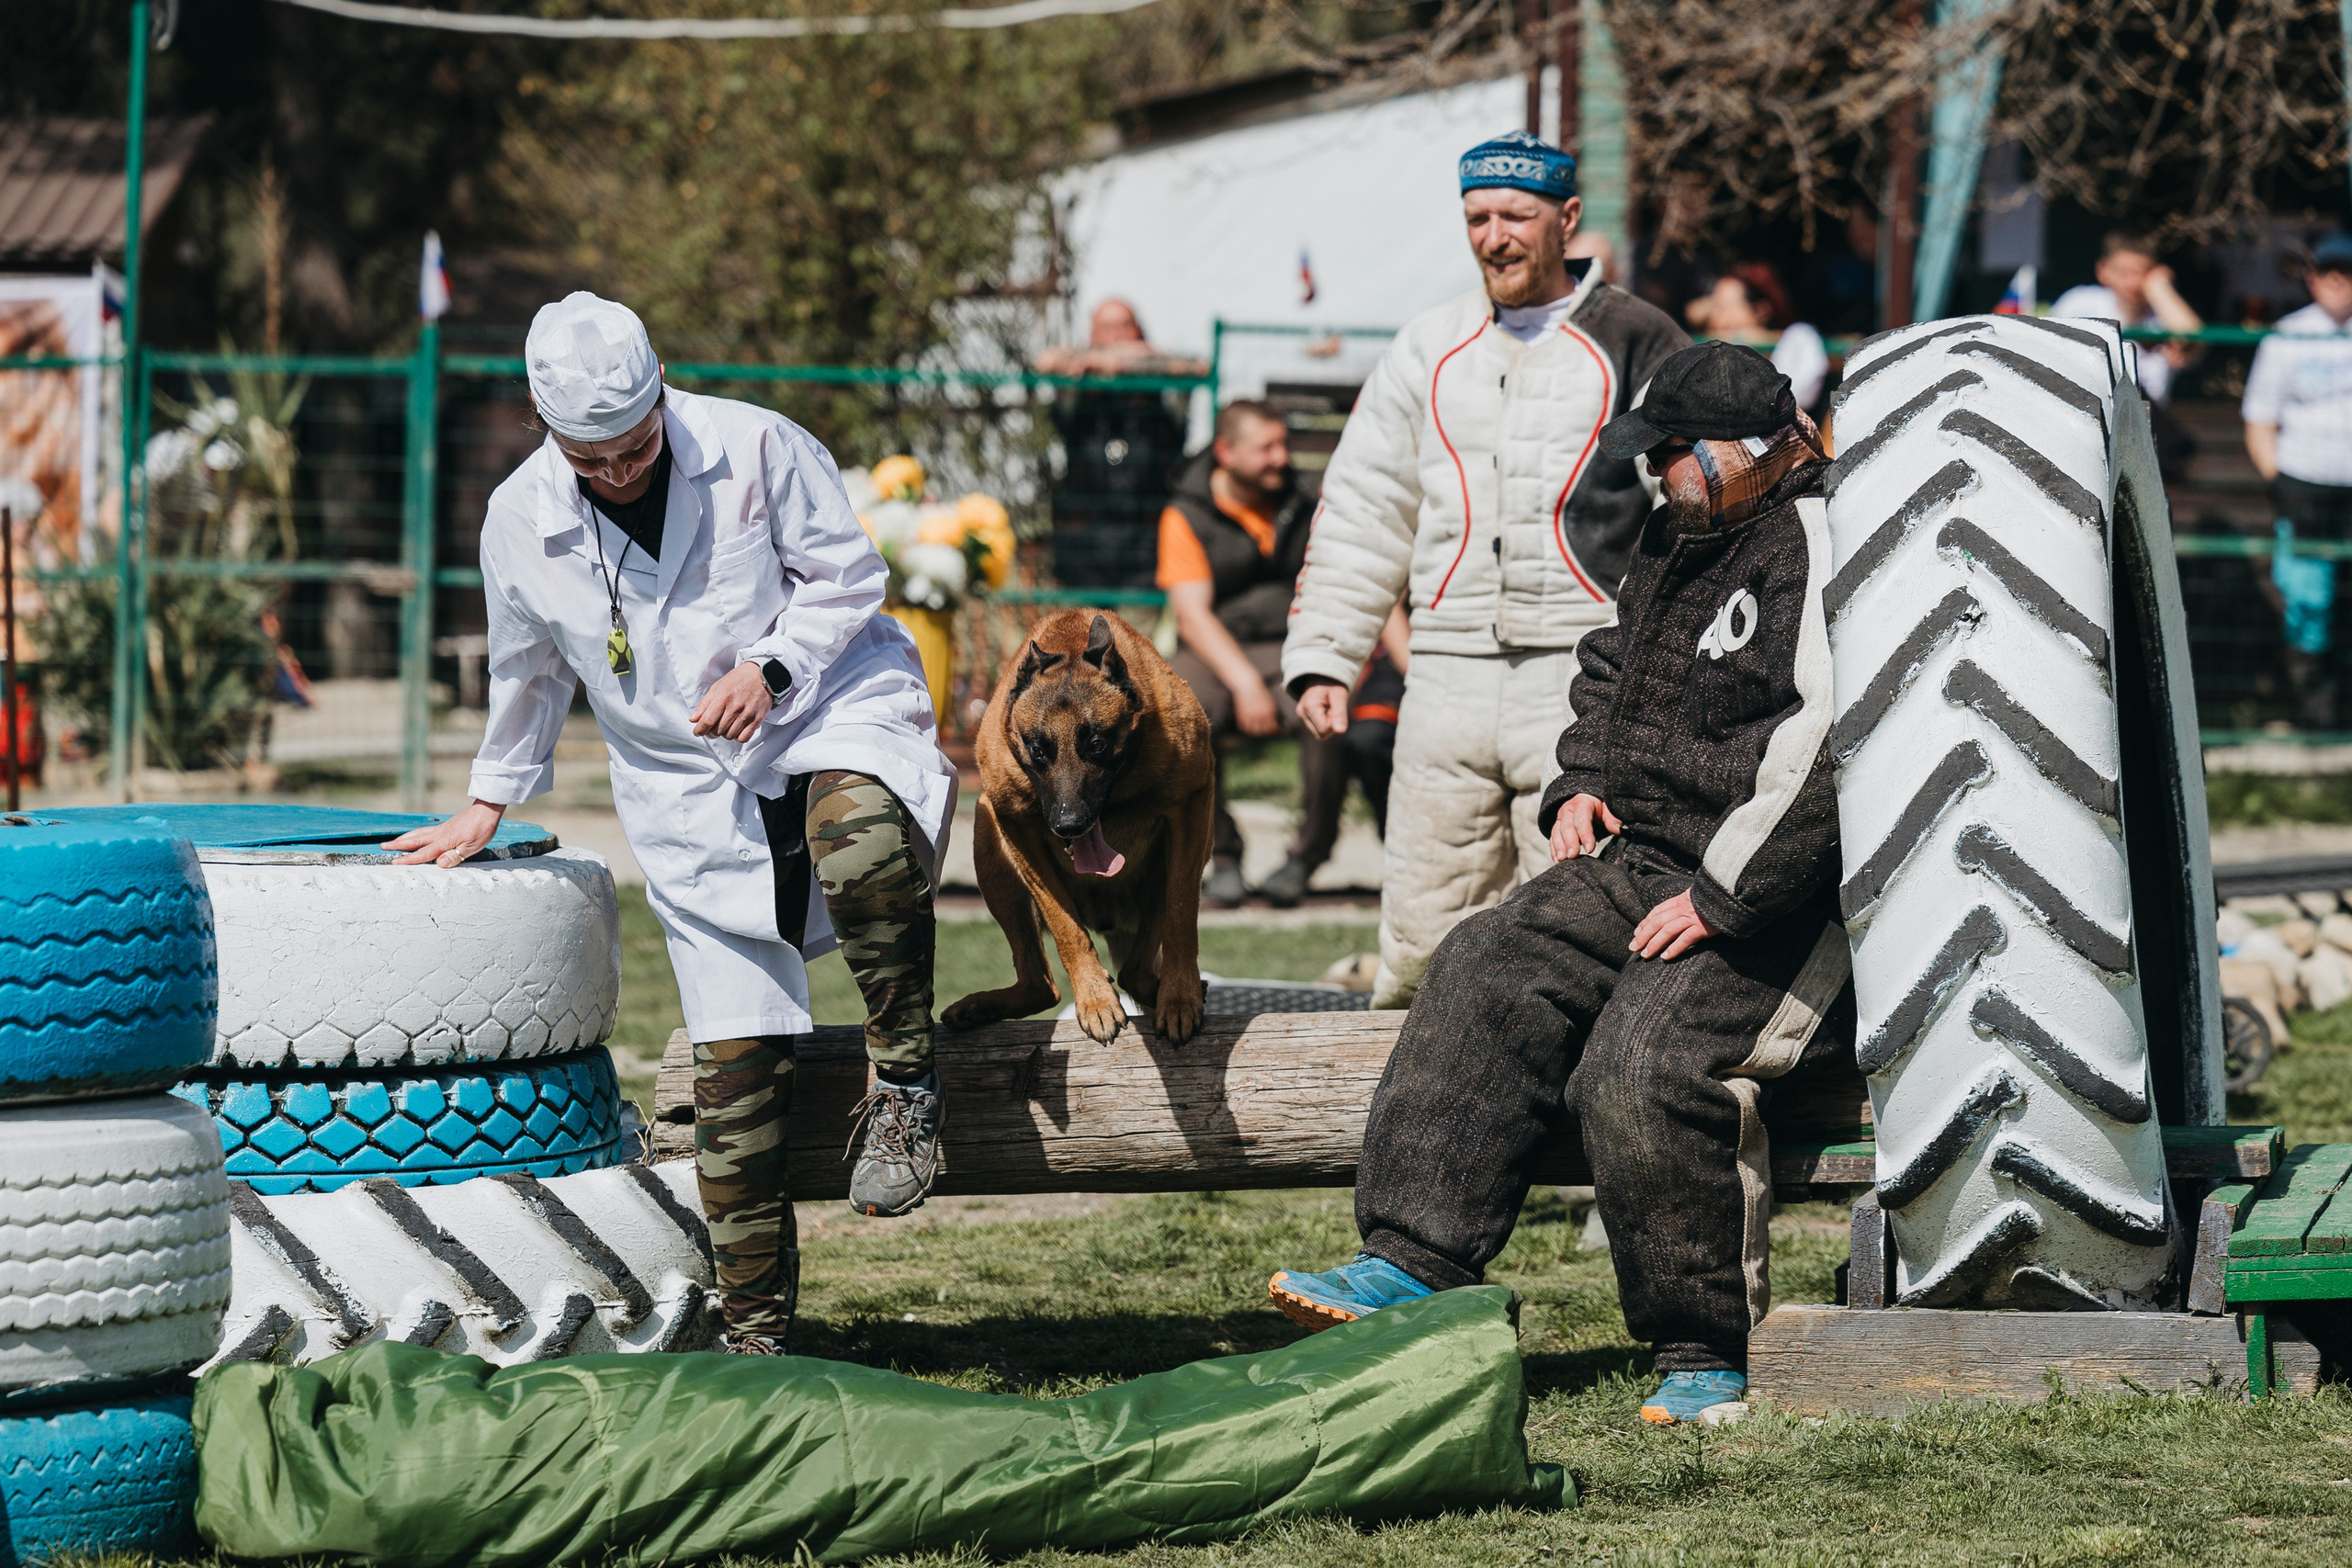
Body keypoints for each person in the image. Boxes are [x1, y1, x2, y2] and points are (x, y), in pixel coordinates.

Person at [1268, 341, 1847, 1428]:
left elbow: (1829, 745)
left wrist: (1724, 898)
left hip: (1774, 900)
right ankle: (1414, 1260)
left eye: (1672, 451)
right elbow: (1610, 667)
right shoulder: (1681, 535)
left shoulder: (1816, 544)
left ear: (1751, 450)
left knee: (1638, 1065)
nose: (1654, 471)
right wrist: (1578, 782)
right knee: (1486, 958)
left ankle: (1703, 1346)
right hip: (1641, 859)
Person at [384, 293, 958, 1355]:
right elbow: (528, 666)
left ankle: (909, 1081)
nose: (616, 473)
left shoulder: (755, 444)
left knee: (862, 839)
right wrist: (488, 796)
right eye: (588, 457)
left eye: (634, 446)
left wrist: (771, 665)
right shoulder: (520, 516)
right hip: (685, 783)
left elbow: (849, 581)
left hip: (830, 705)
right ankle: (757, 1343)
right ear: (546, 428)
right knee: (732, 1091)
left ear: (661, 398)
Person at [1282, 129, 1689, 1006]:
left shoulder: (1638, 338)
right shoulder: (1428, 347)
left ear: (1566, 218)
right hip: (1446, 672)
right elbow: (1365, 503)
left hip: (1584, 674)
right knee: (1425, 931)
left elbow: (1693, 508)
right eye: (1477, 218)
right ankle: (1392, 1132)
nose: (1494, 236)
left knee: (1578, 923)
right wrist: (1325, 651)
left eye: (1516, 215)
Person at [1159, 399, 1345, 908]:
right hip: (1218, 646)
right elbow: (1193, 616)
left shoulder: (1304, 502)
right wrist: (1243, 682)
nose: (1281, 458)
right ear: (1226, 452)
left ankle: (1306, 855)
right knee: (1184, 713)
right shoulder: (1186, 514)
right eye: (1267, 447)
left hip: (1293, 645)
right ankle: (1221, 854)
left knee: (1326, 711)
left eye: (1283, 444)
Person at [2243, 231, 2352, 727]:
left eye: (2347, 272)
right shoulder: (2287, 335)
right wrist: (2281, 482)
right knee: (2309, 597)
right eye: (2329, 271)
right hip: (2305, 483)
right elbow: (2261, 419)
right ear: (2311, 278)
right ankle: (2319, 718)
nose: (2338, 282)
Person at [1039, 300, 1196, 589]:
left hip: (1146, 550)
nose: (1116, 337)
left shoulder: (1163, 384)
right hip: (1084, 552)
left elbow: (1195, 367)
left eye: (1124, 327)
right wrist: (1099, 361)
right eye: (1106, 328)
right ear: (1092, 335)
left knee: (1133, 634)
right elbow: (1047, 360)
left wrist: (1128, 359)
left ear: (1139, 332)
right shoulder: (1076, 381)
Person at [1688, 261, 1828, 412]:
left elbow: (1800, 396)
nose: (1719, 321)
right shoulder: (1714, 348)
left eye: (1728, 308)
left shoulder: (1799, 337)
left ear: (1761, 310)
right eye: (1715, 309)